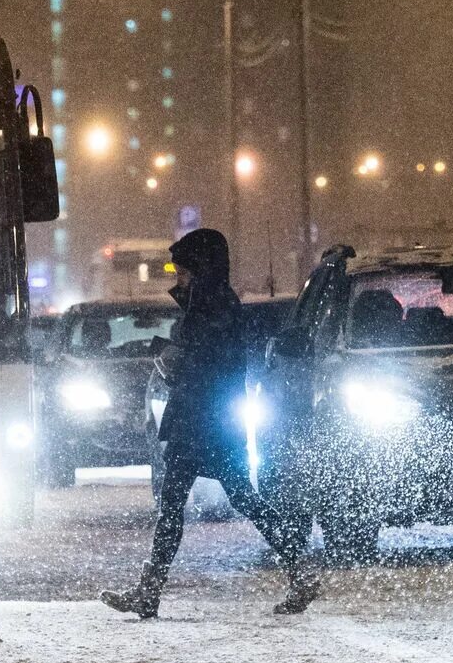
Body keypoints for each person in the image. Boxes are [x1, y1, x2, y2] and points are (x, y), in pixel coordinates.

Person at [101, 228, 319, 618]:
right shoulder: (214, 303)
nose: (178, 280)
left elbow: (203, 361)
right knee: (240, 499)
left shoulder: (212, 305)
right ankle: (299, 571)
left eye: (183, 273)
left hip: (202, 419)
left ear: (200, 270)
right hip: (212, 418)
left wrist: (167, 354)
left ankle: (149, 593)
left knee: (175, 504)